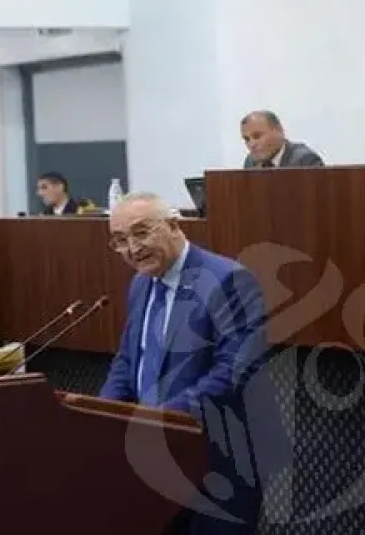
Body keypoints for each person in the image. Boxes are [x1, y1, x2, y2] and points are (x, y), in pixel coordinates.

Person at [99, 192, 274, 534]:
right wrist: (102, 415)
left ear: (174, 225)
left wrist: (163, 419)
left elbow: (234, 370)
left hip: (217, 463)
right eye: (120, 240)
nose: (133, 248)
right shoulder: (141, 283)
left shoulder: (228, 280)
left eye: (141, 232)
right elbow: (129, 360)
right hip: (154, 463)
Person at [241, 110, 325, 168]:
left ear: (279, 131)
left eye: (257, 136)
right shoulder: (250, 162)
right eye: (247, 139)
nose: (251, 144)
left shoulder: (305, 160)